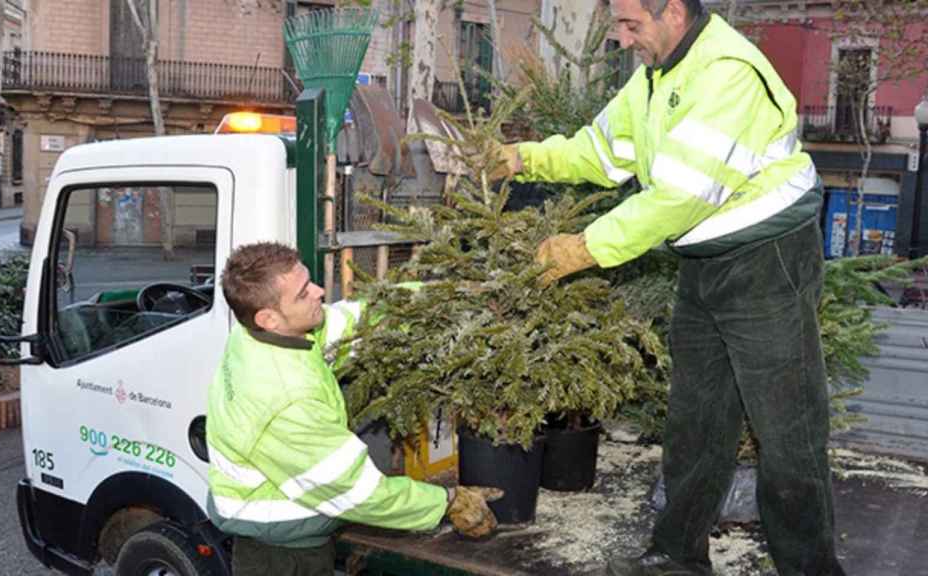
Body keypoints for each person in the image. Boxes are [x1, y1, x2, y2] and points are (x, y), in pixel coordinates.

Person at [487, 0, 847, 574]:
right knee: (696, 418)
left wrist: (586, 247)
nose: (625, 40)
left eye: (633, 25)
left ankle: (809, 568)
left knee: (788, 429)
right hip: (706, 262)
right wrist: (523, 158)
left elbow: (679, 196)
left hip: (766, 260)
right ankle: (677, 555)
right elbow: (601, 153)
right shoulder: (656, 76)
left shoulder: (726, 72)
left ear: (673, 12)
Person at [206, 241, 501, 576]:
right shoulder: (283, 397)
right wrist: (446, 501)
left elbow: (354, 322)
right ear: (269, 317)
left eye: (310, 281)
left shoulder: (256, 335)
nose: (319, 291)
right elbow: (356, 491)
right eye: (304, 293)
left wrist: (439, 298)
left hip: (289, 531)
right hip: (279, 552)